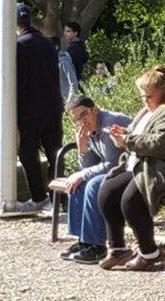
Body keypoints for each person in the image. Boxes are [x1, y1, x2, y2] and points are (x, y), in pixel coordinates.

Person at [95, 65, 165, 271]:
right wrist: (122, 134)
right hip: (143, 166)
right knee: (108, 192)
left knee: (130, 201)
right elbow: (139, 136)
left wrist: (128, 140)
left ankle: (148, 252)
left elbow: (161, 144)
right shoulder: (146, 112)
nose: (144, 100)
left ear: (164, 93)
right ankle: (117, 249)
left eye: (149, 96)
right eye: (142, 95)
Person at [51, 94, 132, 263]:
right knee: (77, 184)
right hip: (116, 170)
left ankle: (97, 245)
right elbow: (90, 166)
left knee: (93, 184)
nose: (81, 121)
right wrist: (82, 148)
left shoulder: (109, 125)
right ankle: (83, 240)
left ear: (94, 109)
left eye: (83, 115)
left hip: (130, 170)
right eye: (76, 119)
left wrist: (82, 174)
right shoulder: (90, 130)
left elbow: (112, 164)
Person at [13, 4, 65, 211]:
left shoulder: (19, 46)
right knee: (55, 153)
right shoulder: (48, 44)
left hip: (29, 108)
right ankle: (60, 198)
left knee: (28, 153)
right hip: (53, 105)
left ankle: (38, 197)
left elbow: (19, 81)